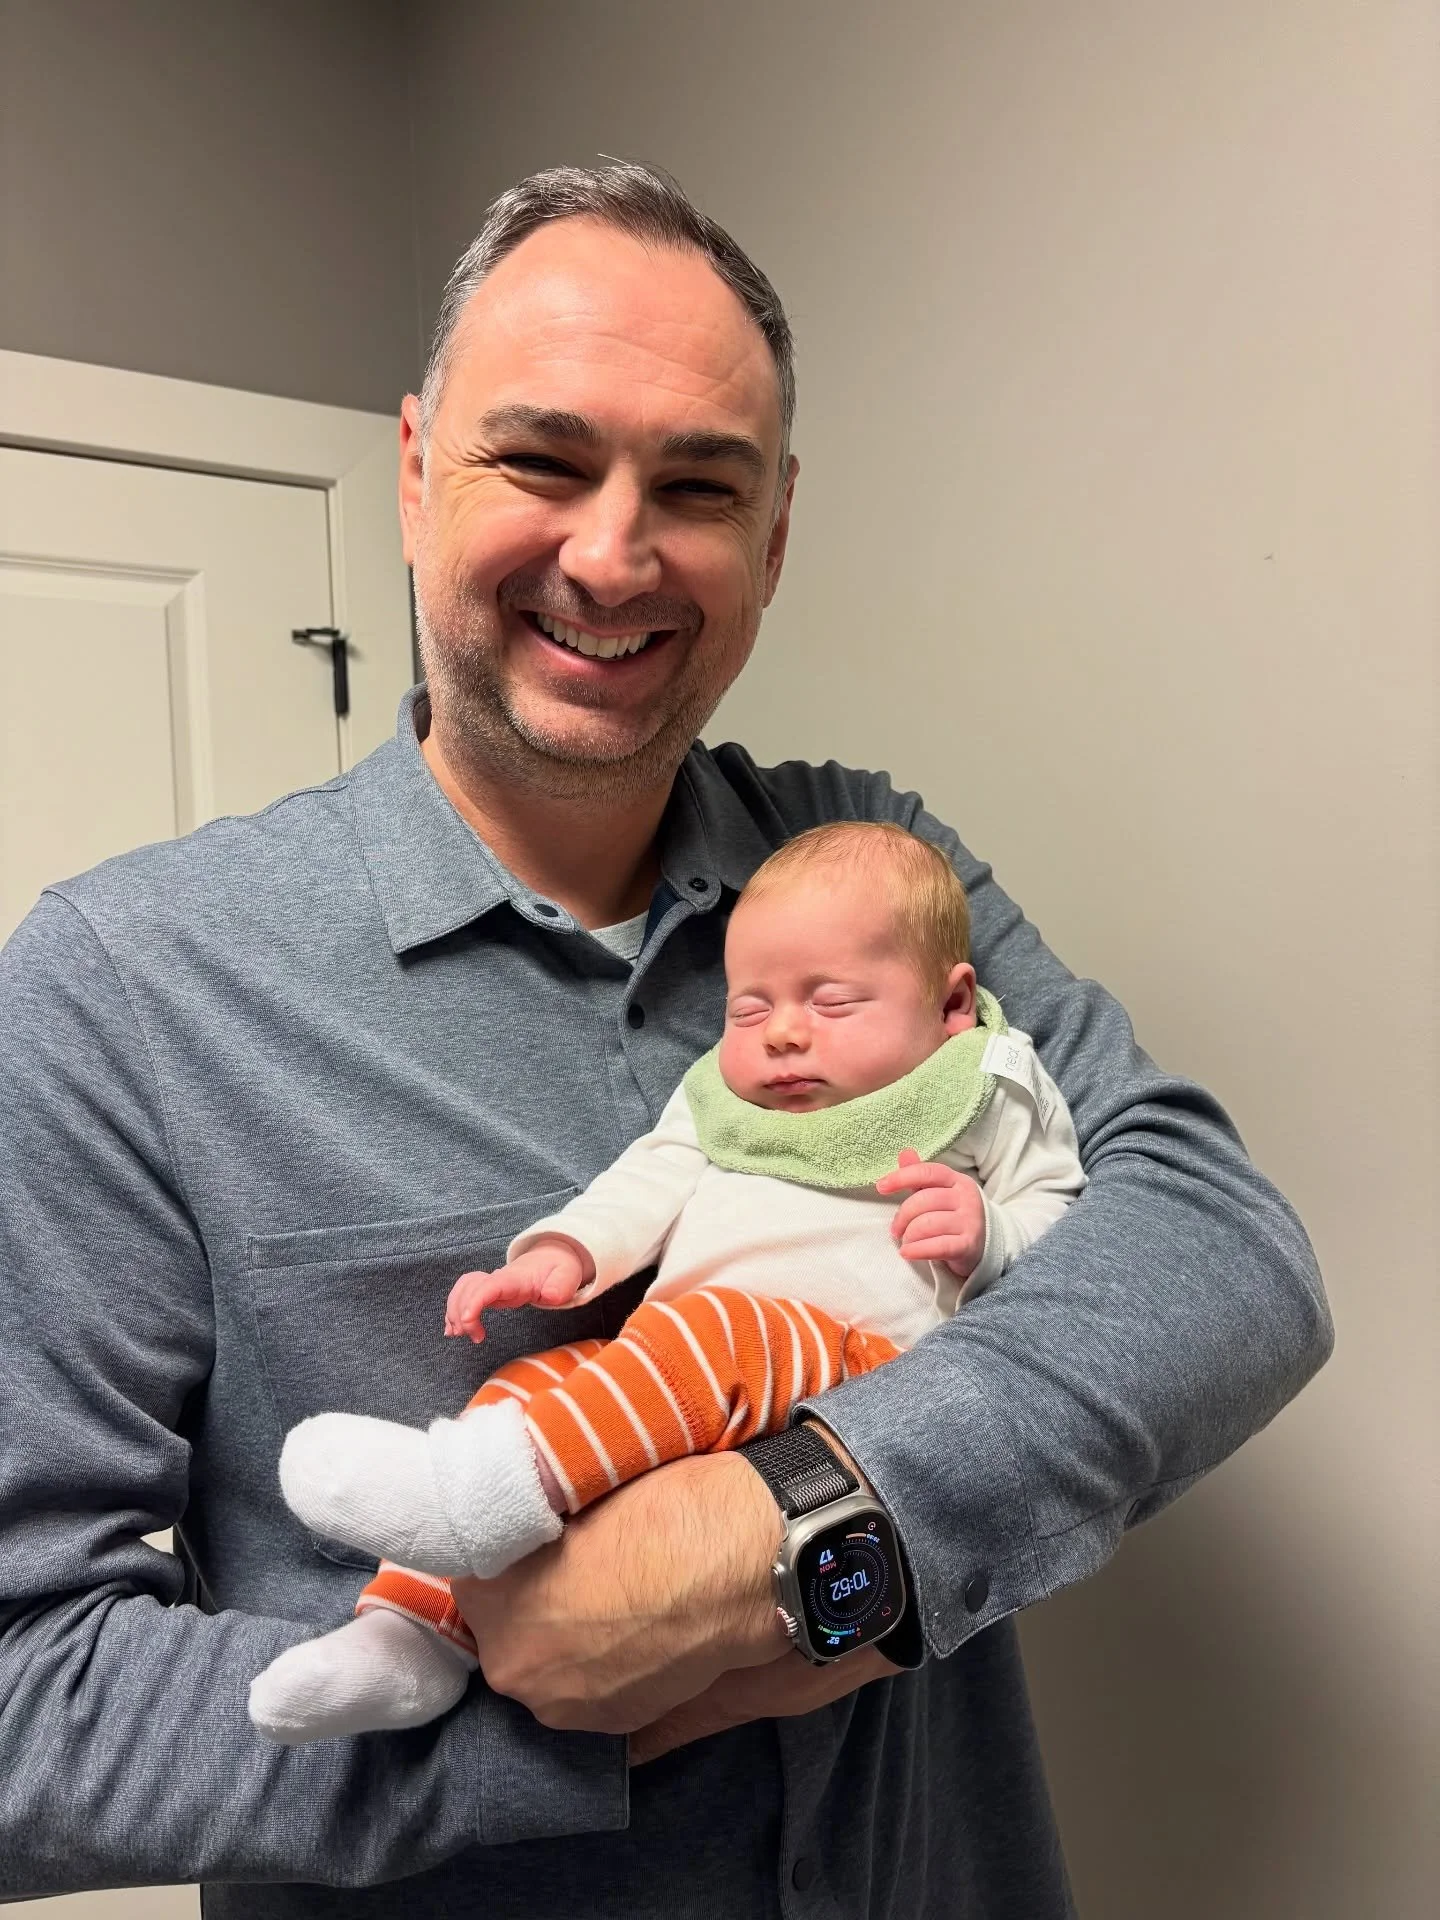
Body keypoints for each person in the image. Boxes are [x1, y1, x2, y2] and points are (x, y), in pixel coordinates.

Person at [0, 163, 1331, 1918]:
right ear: (413, 473)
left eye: (697, 486)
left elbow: (1224, 1252)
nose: (614, 555)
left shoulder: (877, 869)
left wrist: (812, 1539)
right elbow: (25, 1700)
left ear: (774, 535)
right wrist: (548, 1719)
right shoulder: (124, 984)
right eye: (541, 461)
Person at [247, 822, 1088, 1744]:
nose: (784, 1035)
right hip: (682, 1368)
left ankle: (472, 1503)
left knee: (719, 1332)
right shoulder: (723, 1096)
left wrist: (990, 1234)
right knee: (528, 1385)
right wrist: (562, 1253)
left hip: (852, 1373)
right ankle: (410, 1634)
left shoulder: (988, 1086)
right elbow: (649, 1178)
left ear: (953, 1003)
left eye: (833, 1001)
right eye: (749, 1009)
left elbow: (1062, 1205)